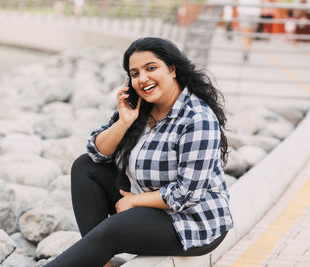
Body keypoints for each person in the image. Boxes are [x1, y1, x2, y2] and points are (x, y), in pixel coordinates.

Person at [45, 37, 234, 267]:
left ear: (172, 69)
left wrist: (135, 201)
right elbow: (96, 153)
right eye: (135, 73)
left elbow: (187, 194)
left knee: (113, 229)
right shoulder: (140, 109)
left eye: (151, 68)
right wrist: (124, 122)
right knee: (85, 167)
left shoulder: (197, 118)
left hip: (192, 221)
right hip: (146, 204)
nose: (143, 79)